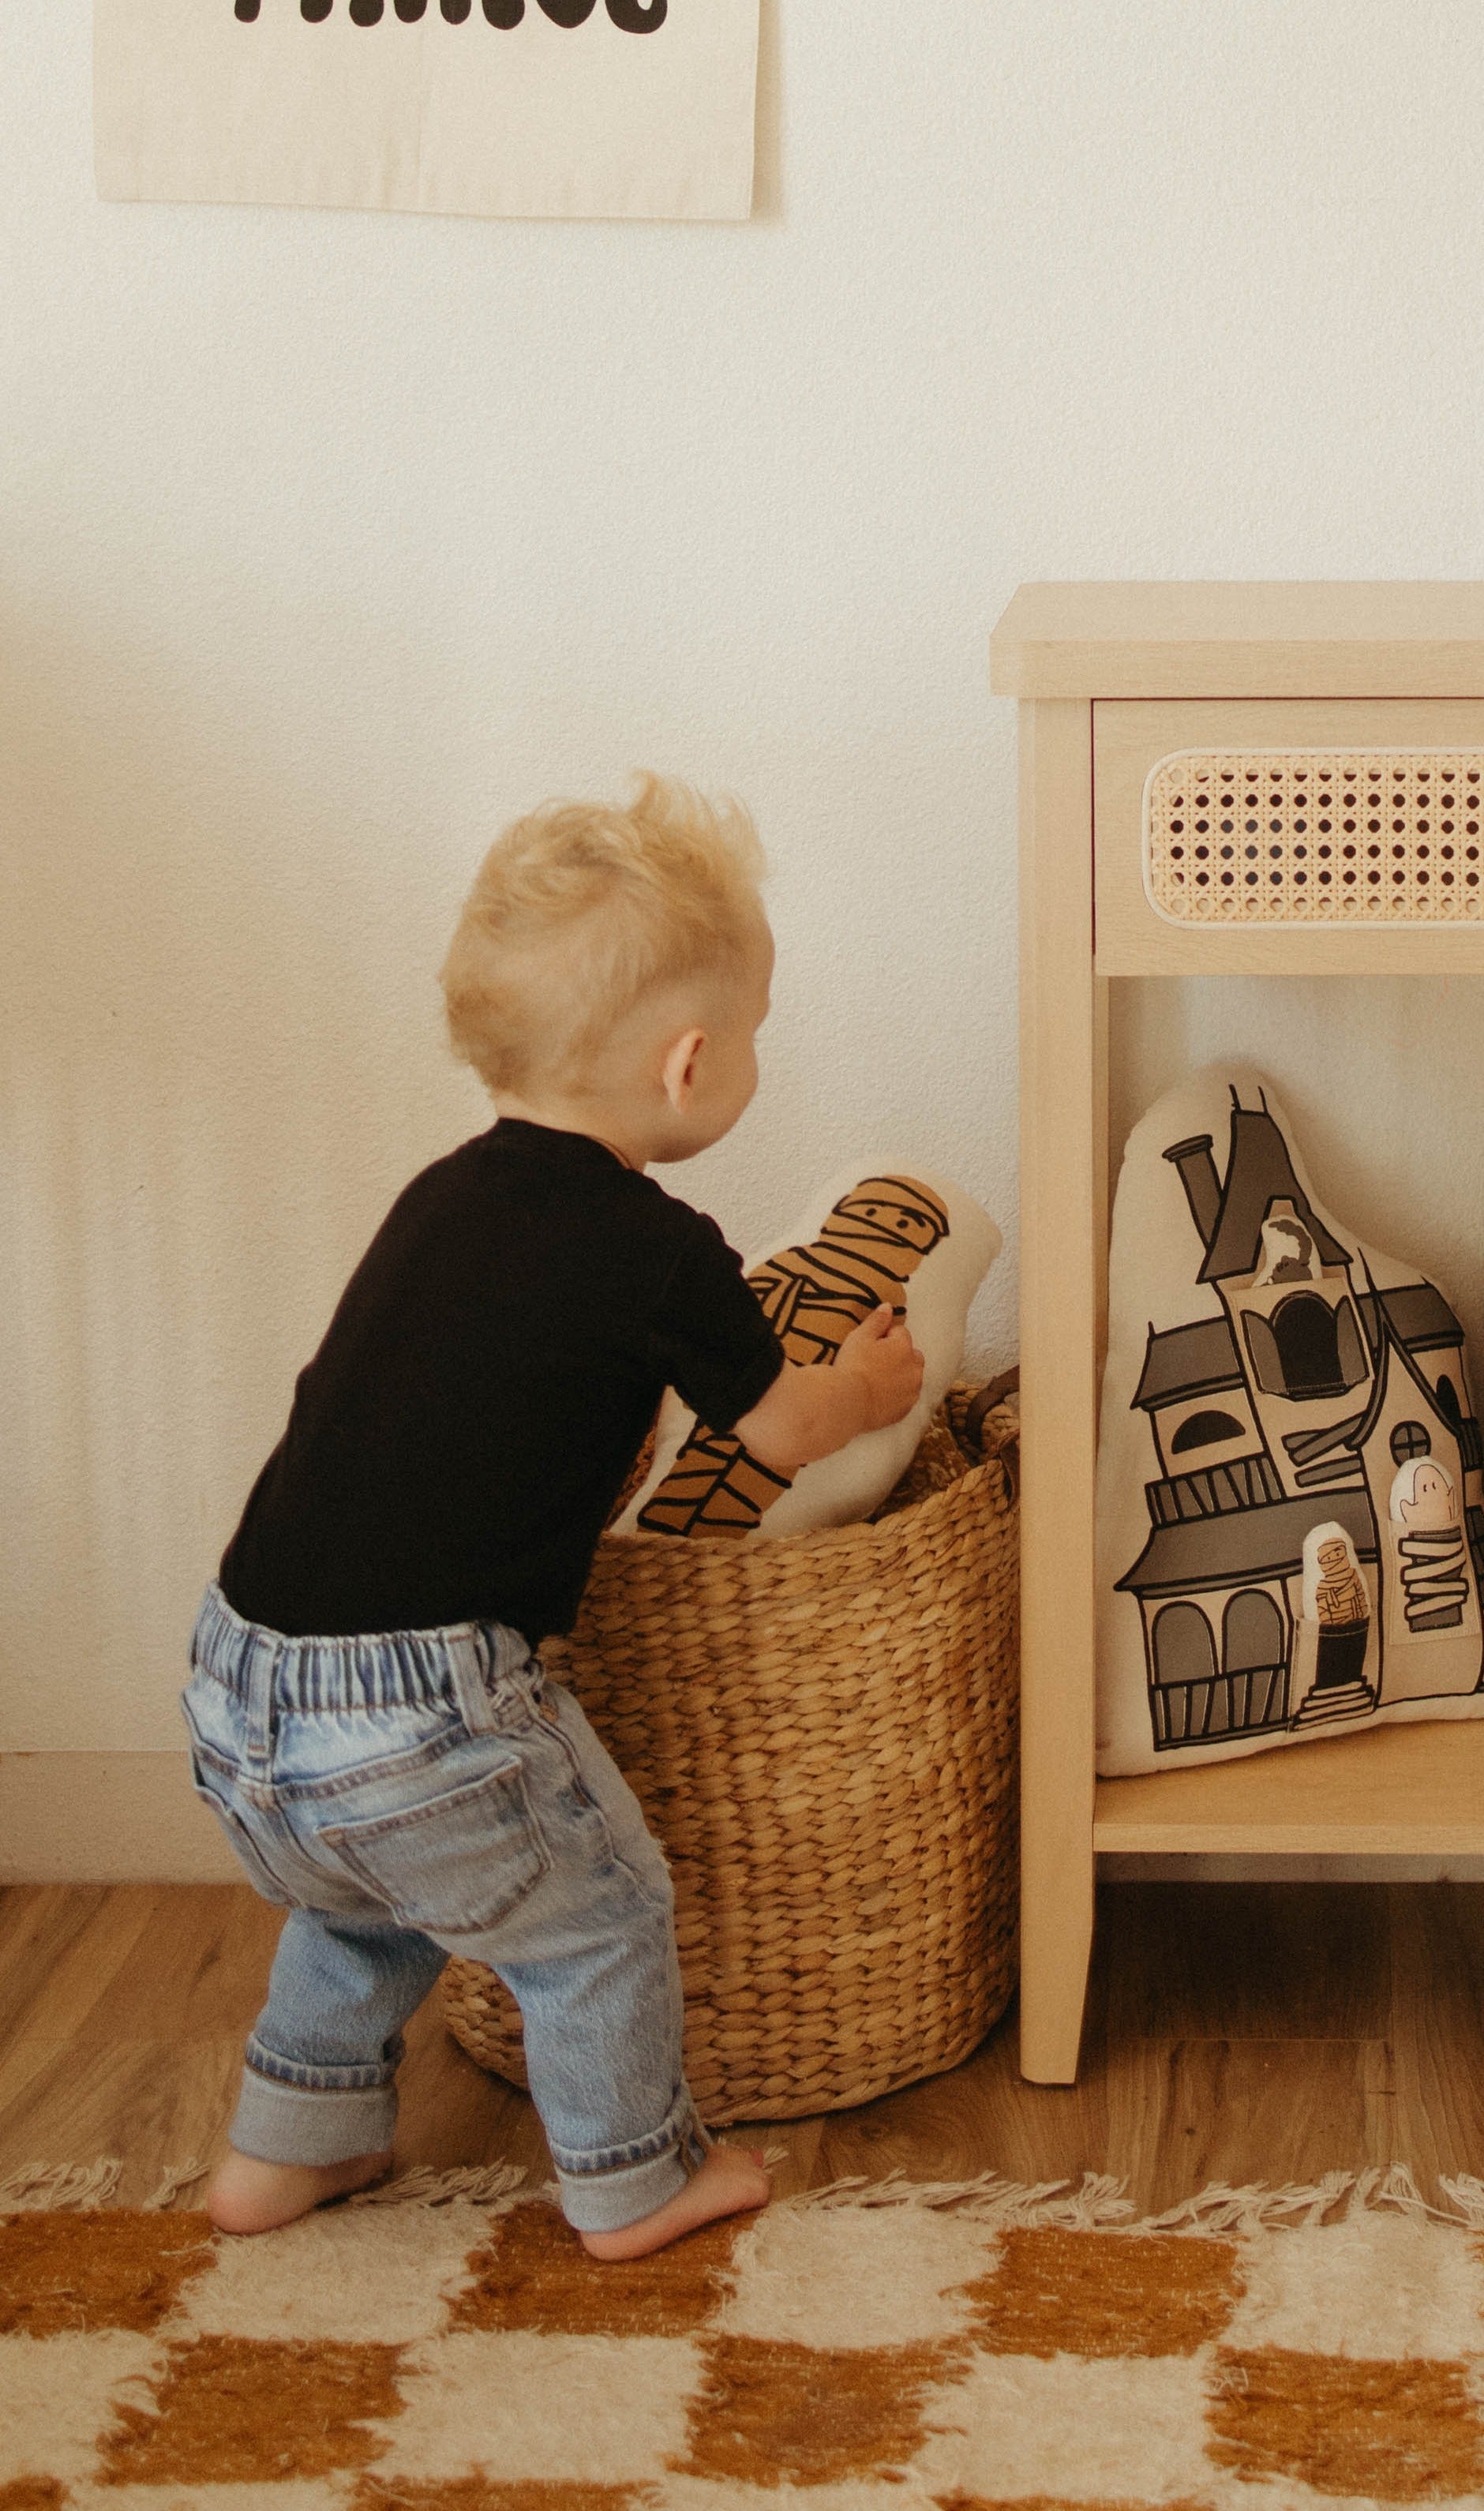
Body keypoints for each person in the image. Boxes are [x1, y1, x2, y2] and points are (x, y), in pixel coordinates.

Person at [186, 776, 921, 2258]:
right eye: (757, 1036)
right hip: (420, 1711)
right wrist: (870, 1380)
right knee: (595, 1914)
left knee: (365, 1905)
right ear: (689, 1060)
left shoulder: (439, 1200)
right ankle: (637, 2178)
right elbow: (779, 1428)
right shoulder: (653, 1247)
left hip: (237, 1689)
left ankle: (283, 2151)